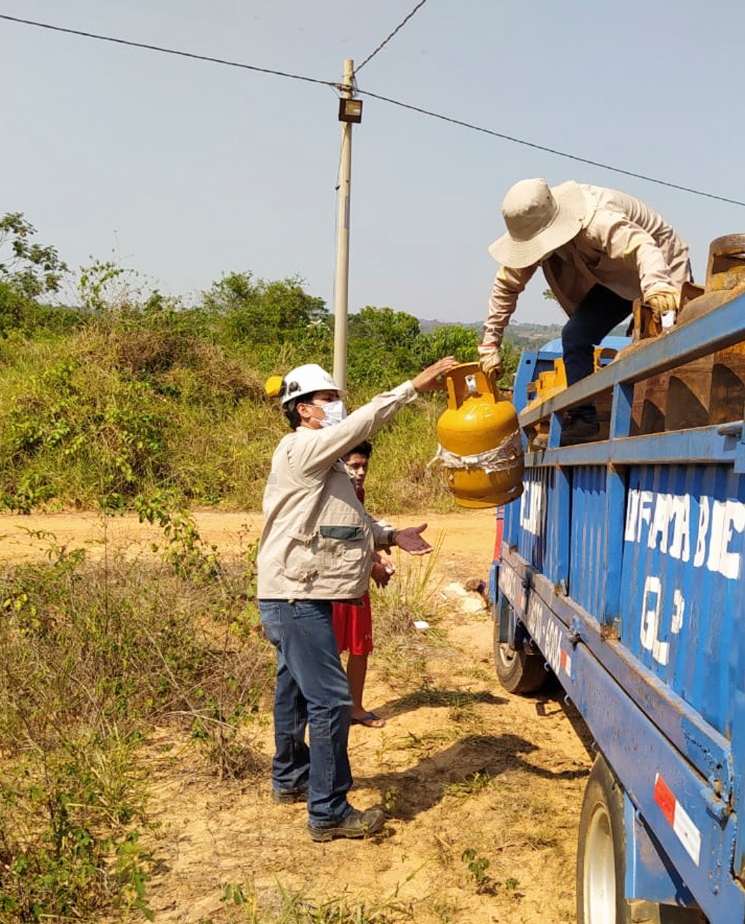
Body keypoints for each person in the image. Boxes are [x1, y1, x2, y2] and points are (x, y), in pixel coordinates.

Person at [257, 357, 457, 841]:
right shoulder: (303, 447)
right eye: (327, 399)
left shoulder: (321, 464)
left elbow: (345, 520)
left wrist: (389, 535)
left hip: (298, 594)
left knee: (293, 691)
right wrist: (412, 386)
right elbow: (368, 418)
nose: (336, 405)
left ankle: (292, 779)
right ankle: (327, 811)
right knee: (329, 702)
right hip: (296, 597)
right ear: (303, 409)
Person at [477, 178, 692, 440]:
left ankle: (667, 422)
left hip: (660, 267)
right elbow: (506, 286)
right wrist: (490, 345)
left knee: (655, 345)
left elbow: (643, 247)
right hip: (615, 279)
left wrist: (657, 285)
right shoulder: (534, 225)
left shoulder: (599, 219)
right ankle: (583, 422)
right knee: (575, 336)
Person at [332, 441, 391, 729]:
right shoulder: (332, 495)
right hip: (332, 584)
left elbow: (358, 535)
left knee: (359, 646)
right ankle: (332, 710)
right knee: (329, 649)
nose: (360, 472)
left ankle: (354, 706)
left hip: (355, 582)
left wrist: (376, 557)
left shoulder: (357, 493)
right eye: (354, 466)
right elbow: (334, 544)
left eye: (364, 466)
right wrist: (372, 566)